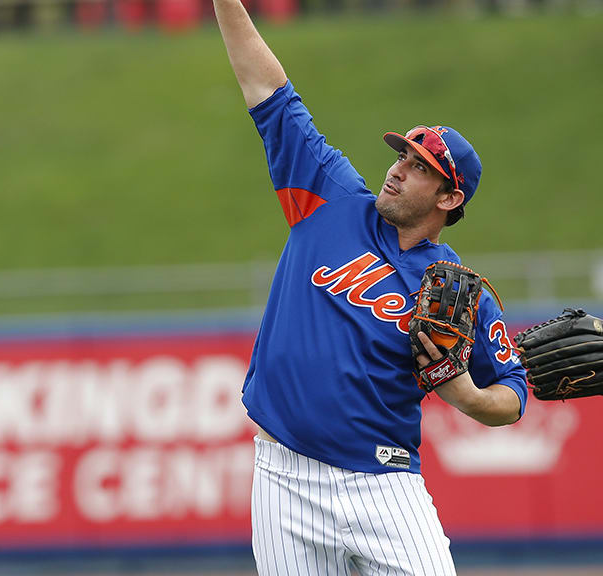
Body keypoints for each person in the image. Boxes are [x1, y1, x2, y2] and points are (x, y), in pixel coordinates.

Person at [211, 2, 528, 574]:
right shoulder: (327, 197)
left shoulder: (459, 290)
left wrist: (470, 398)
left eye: (421, 167)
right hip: (283, 474)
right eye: (403, 154)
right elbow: (268, 89)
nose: (399, 168)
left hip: (383, 484)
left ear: (449, 199)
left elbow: (512, 391)